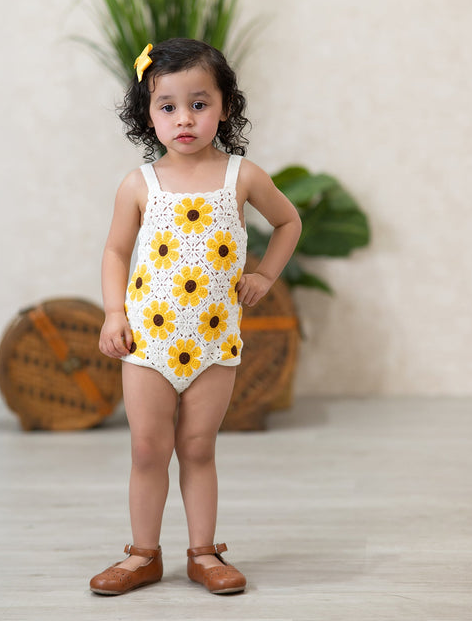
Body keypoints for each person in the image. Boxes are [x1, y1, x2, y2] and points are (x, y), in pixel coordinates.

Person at [89, 38, 302, 596]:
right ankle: (143, 555)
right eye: (168, 106)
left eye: (199, 104)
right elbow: (115, 252)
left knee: (199, 447)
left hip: (213, 342)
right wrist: (114, 313)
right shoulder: (139, 184)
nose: (184, 118)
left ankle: (204, 553)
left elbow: (289, 222)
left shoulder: (242, 177)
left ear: (225, 107)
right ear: (148, 115)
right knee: (147, 449)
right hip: (148, 343)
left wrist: (264, 276)